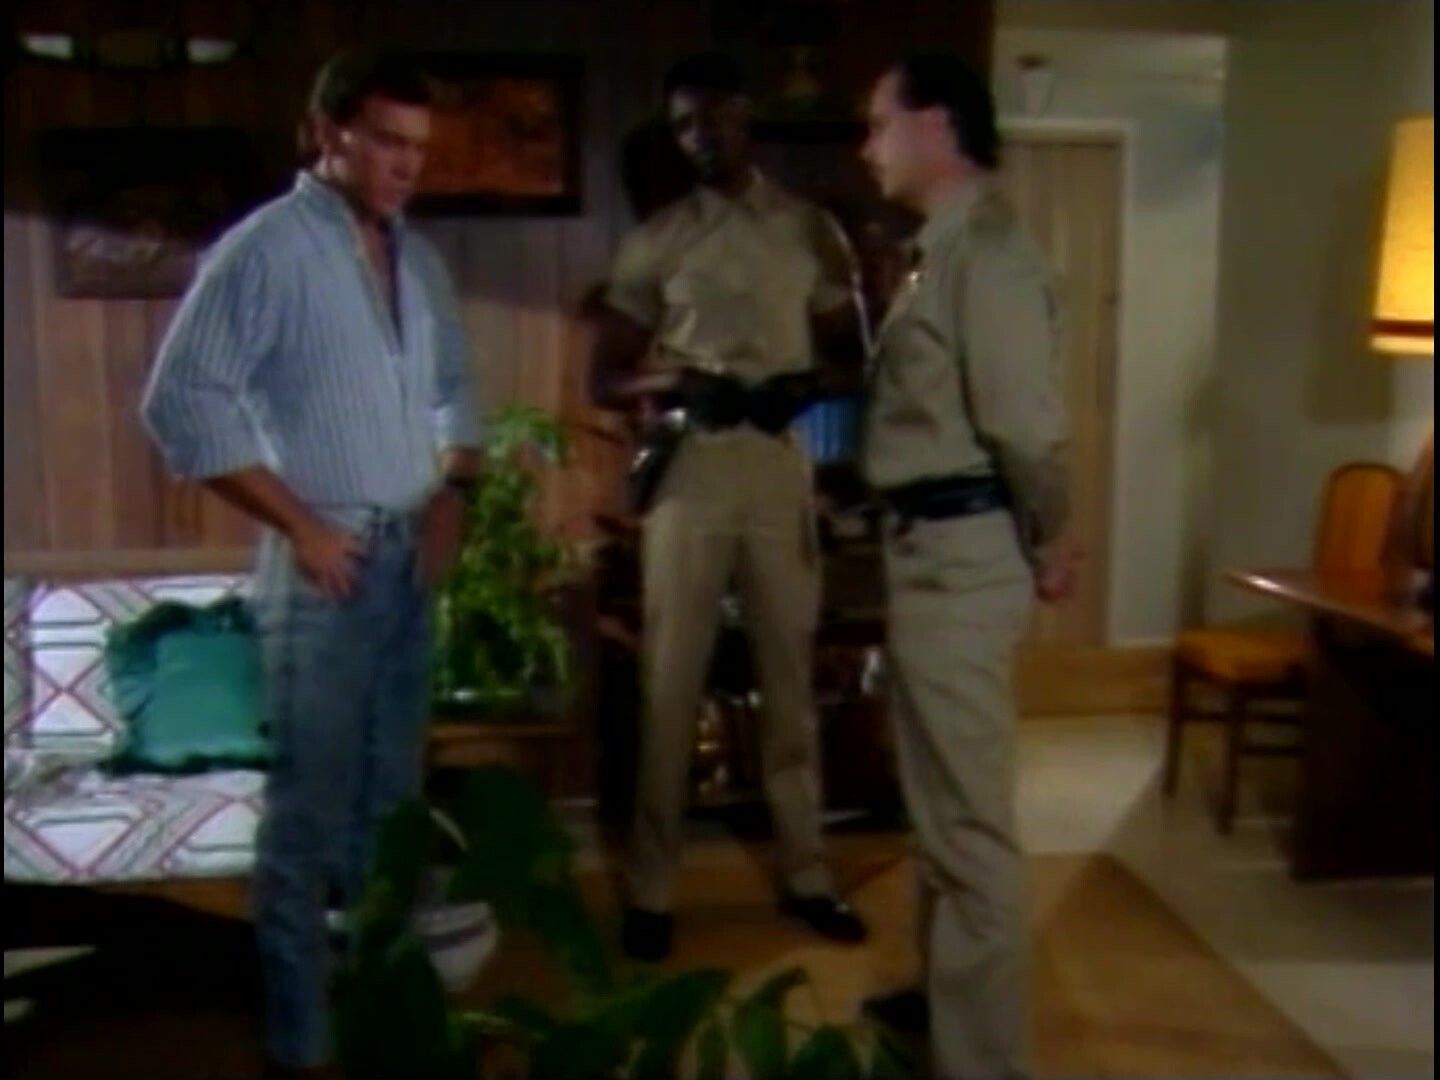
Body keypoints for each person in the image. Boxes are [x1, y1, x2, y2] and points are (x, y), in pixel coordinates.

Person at [141, 50, 481, 1079]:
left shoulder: (418, 260)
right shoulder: (265, 252)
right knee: (307, 819)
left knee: (391, 811)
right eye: (386, 142)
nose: (405, 165)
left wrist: (454, 495)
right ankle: (301, 1047)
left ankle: (382, 1028)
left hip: (404, 562)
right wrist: (300, 526)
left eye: (418, 148)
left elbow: (456, 391)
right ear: (329, 133)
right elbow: (178, 401)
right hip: (325, 567)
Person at [588, 52, 869, 962]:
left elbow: (852, 357)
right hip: (694, 466)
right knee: (670, 683)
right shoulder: (658, 240)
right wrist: (673, 382)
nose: (700, 137)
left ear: (746, 116)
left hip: (778, 463)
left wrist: (802, 385)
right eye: (683, 125)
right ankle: (651, 888)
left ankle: (808, 876)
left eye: (713, 117)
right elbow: (605, 376)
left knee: (790, 677)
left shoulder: (809, 230)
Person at [856, 53, 1080, 1079]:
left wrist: (1054, 535)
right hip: (925, 551)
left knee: (972, 826)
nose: (869, 147)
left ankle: (983, 1062)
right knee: (939, 808)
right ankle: (942, 1005)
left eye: (879, 124)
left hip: (960, 553)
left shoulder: (987, 254)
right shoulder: (938, 250)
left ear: (936, 126)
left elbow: (1025, 429)